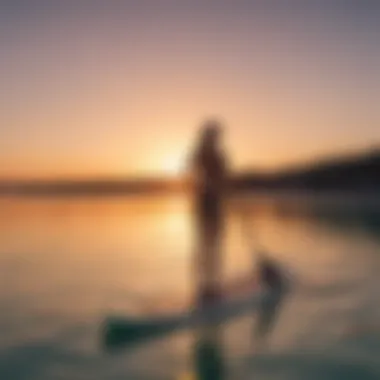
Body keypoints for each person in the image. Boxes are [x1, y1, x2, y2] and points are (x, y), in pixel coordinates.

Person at [190, 119, 228, 307]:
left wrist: (218, 185)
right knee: (205, 247)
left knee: (212, 247)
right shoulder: (202, 154)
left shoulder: (218, 156)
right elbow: (195, 171)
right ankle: (206, 288)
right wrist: (209, 182)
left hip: (215, 207)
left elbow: (223, 178)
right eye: (215, 135)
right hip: (204, 207)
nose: (217, 138)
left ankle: (211, 287)